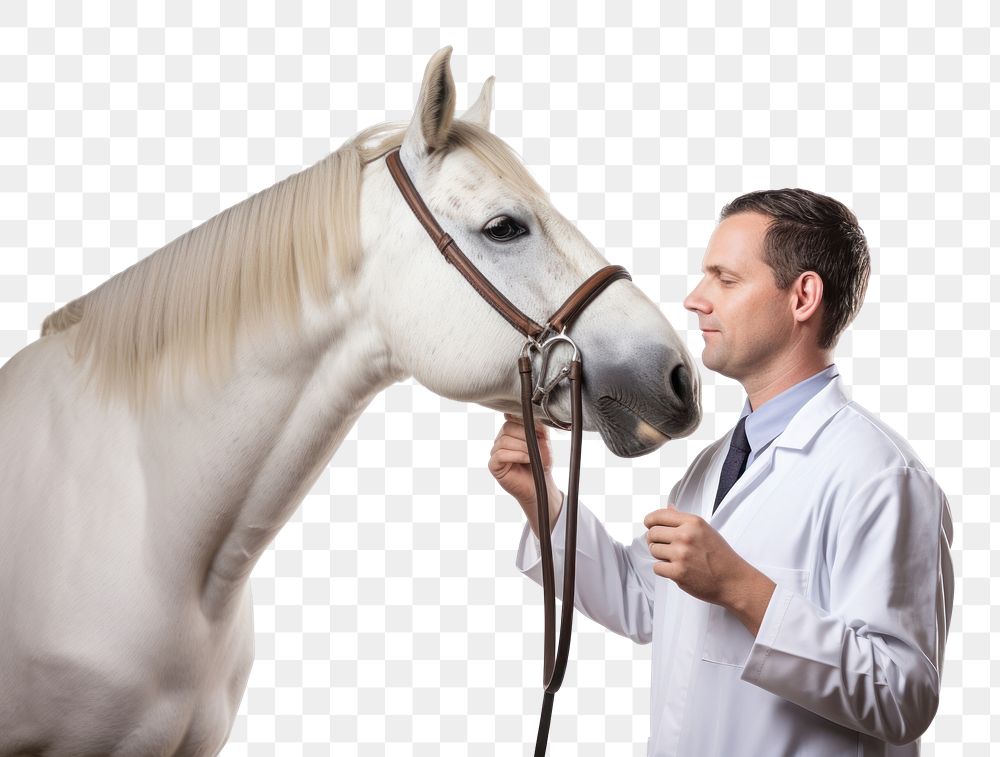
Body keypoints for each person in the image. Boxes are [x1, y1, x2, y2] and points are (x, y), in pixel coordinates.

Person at [489, 189, 954, 756]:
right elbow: (643, 600)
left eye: (724, 279)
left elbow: (902, 696)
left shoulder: (882, 477)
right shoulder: (714, 466)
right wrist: (540, 499)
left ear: (803, 296)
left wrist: (738, 586)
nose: (694, 300)